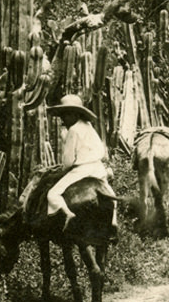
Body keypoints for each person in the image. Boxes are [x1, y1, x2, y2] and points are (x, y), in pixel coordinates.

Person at [46, 94, 116, 231]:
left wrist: (63, 170)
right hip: (98, 168)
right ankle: (113, 221)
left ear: (74, 114)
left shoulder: (73, 130)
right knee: (110, 195)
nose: (63, 120)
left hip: (82, 170)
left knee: (52, 193)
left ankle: (67, 213)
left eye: (64, 116)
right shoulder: (88, 126)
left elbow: (68, 160)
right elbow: (100, 148)